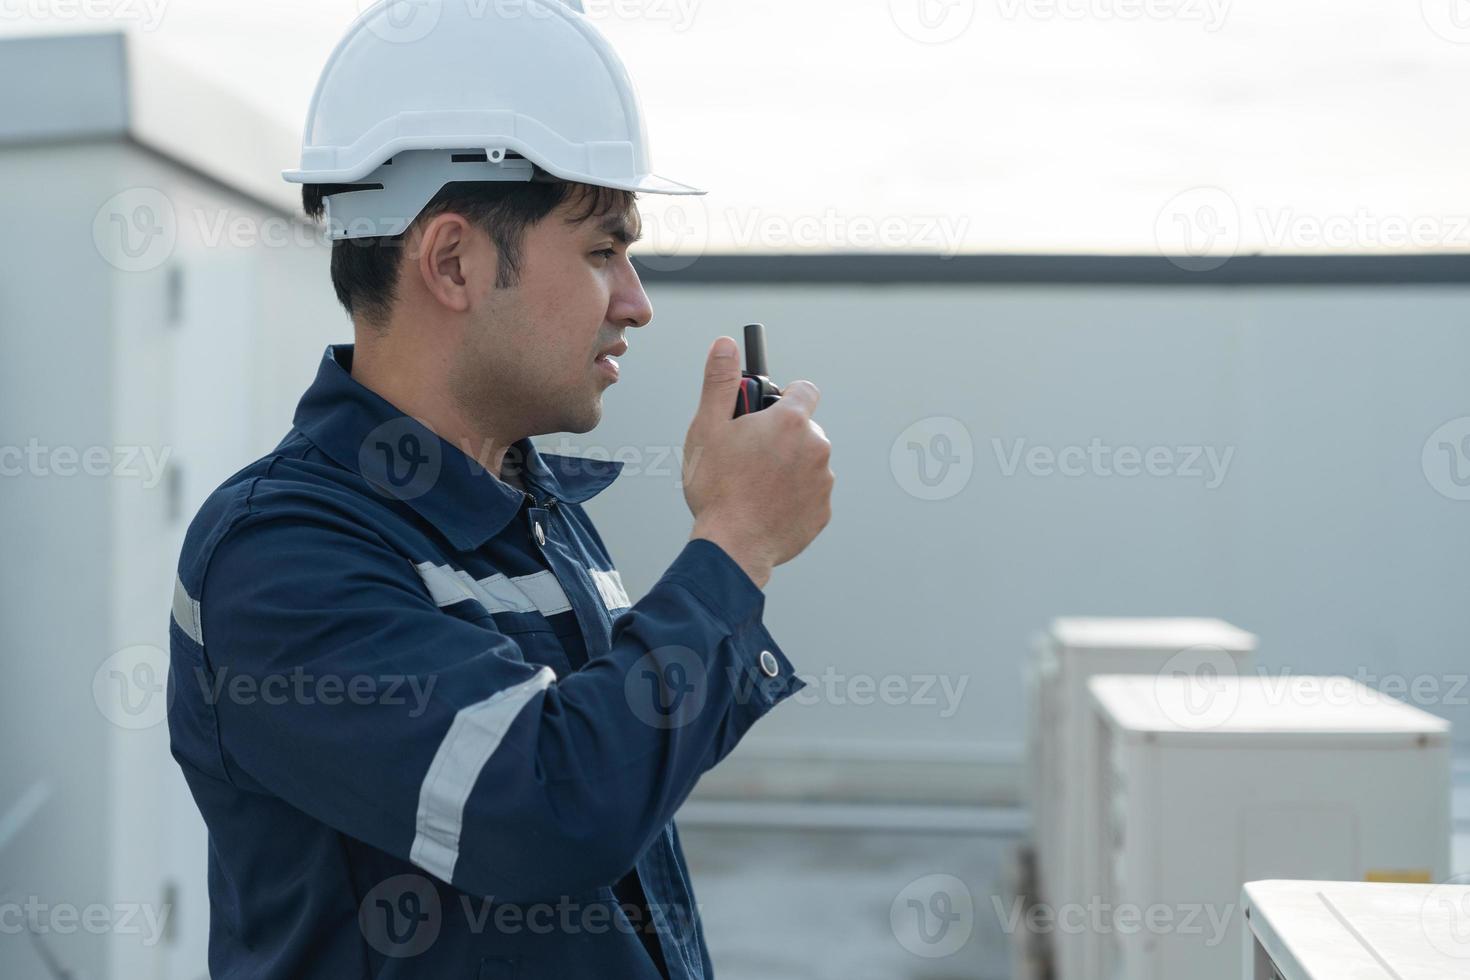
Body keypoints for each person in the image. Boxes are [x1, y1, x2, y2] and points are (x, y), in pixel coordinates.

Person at [166, 1, 833, 977]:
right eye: (604, 249)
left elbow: (619, 787)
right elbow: (547, 809)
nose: (637, 302)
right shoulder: (278, 559)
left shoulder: (536, 512)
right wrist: (733, 543)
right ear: (451, 260)